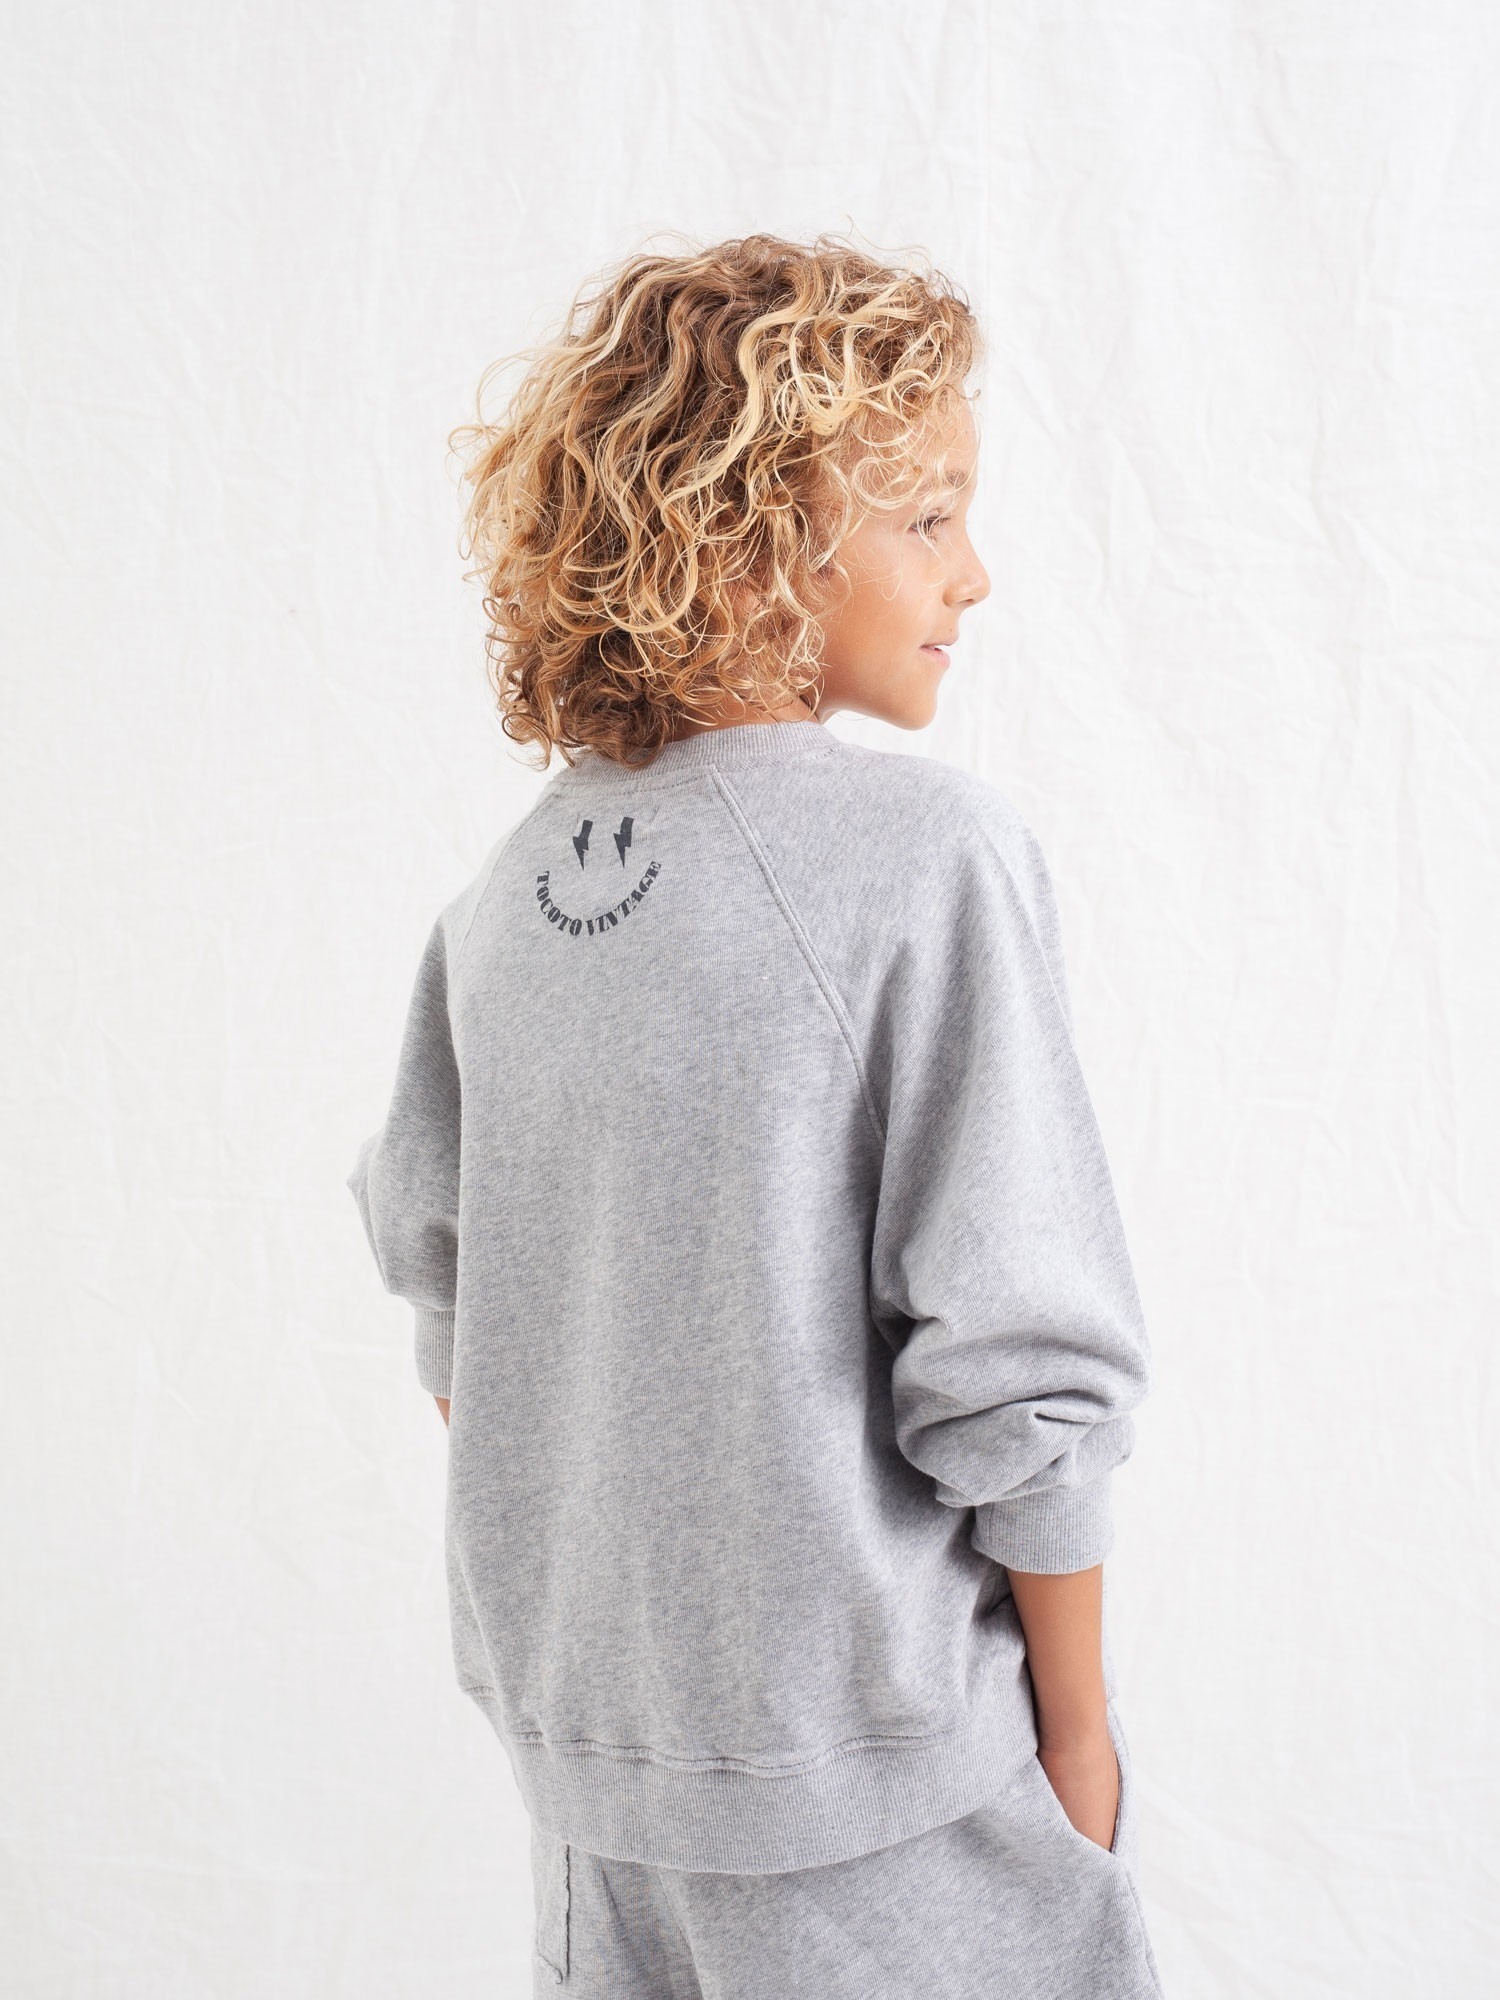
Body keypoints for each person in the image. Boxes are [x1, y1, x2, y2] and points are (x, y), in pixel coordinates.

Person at [346, 232, 1166, 1998]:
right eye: (928, 516)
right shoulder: (926, 859)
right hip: (885, 1798)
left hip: (599, 1803)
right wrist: (1079, 1735)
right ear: (759, 536)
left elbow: (459, 1330)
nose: (974, 574)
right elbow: (1019, 1362)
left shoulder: (503, 905)